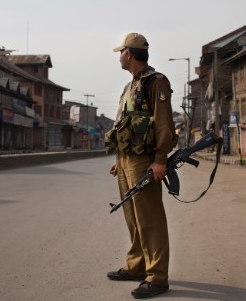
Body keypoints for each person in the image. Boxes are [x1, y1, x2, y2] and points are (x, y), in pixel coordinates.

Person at [105, 32, 176, 299]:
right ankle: (137, 266)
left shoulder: (155, 82)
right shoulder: (129, 88)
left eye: (121, 52)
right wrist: (118, 160)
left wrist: (160, 160)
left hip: (145, 160)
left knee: (150, 219)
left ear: (129, 54)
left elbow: (163, 123)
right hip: (126, 160)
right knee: (133, 218)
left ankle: (157, 277)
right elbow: (123, 126)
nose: (119, 57)